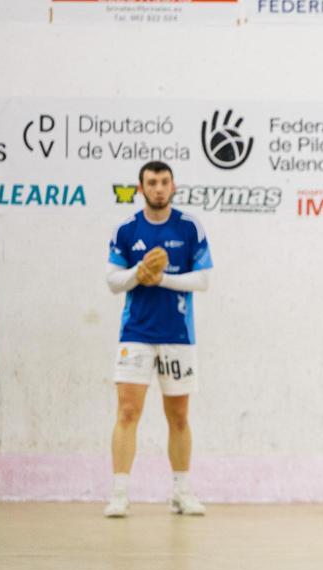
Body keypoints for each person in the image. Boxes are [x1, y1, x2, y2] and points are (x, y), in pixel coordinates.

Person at [103, 161, 212, 518]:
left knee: (179, 416)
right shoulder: (126, 229)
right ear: (141, 188)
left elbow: (202, 280)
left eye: (165, 182)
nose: (159, 188)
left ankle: (181, 492)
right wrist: (140, 271)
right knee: (127, 411)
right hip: (135, 334)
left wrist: (160, 278)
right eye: (152, 182)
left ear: (173, 186)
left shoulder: (189, 226)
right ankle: (119, 494)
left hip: (178, 335)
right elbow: (113, 281)